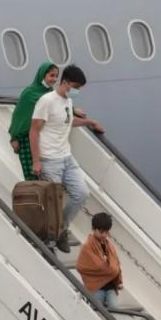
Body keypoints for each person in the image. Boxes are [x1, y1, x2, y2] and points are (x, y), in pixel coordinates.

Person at [30, 64, 104, 253]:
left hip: (66, 158)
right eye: (76, 87)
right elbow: (34, 131)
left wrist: (89, 122)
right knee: (53, 204)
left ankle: (61, 228)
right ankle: (48, 244)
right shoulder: (46, 101)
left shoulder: (67, 102)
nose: (77, 91)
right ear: (65, 82)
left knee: (81, 193)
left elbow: (67, 122)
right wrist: (37, 161)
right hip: (49, 160)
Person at [8, 62, 59, 180]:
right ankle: (34, 198)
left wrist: (73, 110)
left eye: (56, 76)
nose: (54, 79)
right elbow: (19, 116)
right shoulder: (29, 92)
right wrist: (14, 137)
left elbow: (59, 107)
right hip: (26, 139)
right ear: (42, 75)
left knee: (46, 175)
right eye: (52, 75)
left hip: (43, 140)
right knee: (31, 175)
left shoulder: (51, 94)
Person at [76, 213, 123, 308]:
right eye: (101, 232)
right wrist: (111, 271)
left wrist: (119, 279)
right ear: (94, 229)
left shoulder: (110, 246)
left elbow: (117, 264)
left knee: (115, 308)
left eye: (106, 232)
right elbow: (81, 266)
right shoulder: (87, 246)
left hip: (111, 286)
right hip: (96, 287)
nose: (104, 235)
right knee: (97, 309)